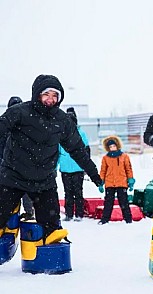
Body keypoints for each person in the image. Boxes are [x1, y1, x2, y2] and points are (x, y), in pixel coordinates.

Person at [0, 74, 102, 242]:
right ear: (37, 94)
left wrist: (94, 174)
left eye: (55, 95)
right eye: (46, 94)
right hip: (13, 176)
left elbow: (77, 150)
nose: (50, 99)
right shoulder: (19, 112)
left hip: (44, 181)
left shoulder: (62, 120)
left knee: (52, 226)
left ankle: (50, 255)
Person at [0, 96, 35, 221]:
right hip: (9, 168)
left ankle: (28, 213)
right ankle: (11, 219)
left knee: (24, 194)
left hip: (22, 168)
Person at [58, 107, 90, 222]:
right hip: (65, 168)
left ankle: (79, 214)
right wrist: (55, 167)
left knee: (78, 192)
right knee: (68, 193)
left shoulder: (81, 133)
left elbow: (87, 150)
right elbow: (57, 151)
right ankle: (69, 214)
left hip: (78, 168)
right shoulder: (61, 134)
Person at [98, 135, 135, 224]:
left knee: (124, 202)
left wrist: (130, 180)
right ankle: (105, 219)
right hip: (110, 183)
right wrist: (100, 182)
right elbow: (103, 170)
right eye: (110, 147)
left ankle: (128, 219)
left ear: (117, 146)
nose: (112, 148)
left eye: (114, 146)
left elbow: (128, 169)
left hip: (122, 182)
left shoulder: (124, 156)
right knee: (108, 203)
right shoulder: (105, 158)